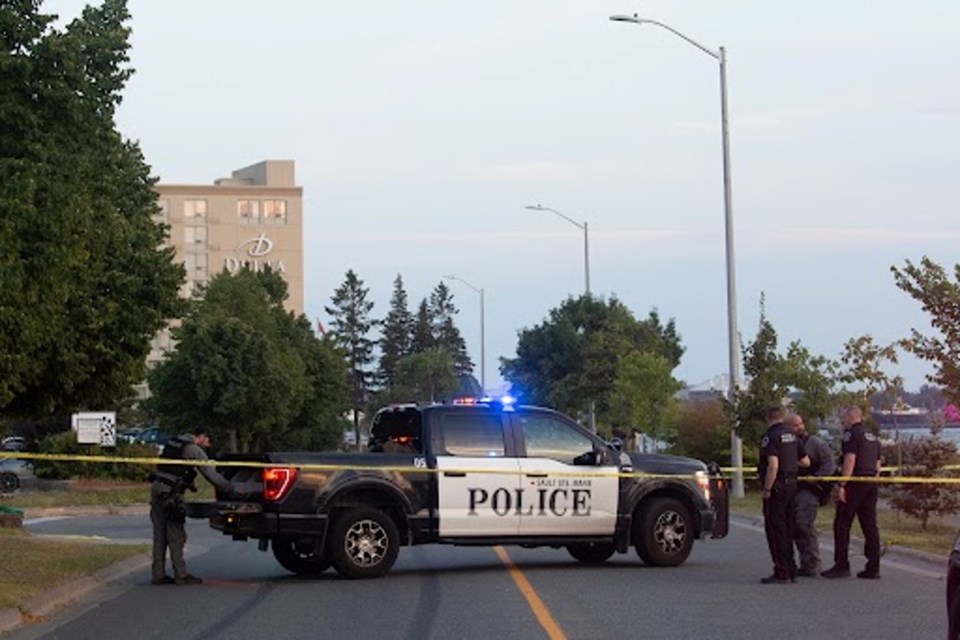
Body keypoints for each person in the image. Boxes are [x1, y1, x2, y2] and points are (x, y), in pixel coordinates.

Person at [150, 427, 238, 585]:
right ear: (203, 437)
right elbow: (211, 474)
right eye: (208, 442)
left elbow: (174, 468)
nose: (207, 446)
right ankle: (181, 575)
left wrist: (188, 484)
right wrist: (231, 490)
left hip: (157, 489)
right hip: (171, 495)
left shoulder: (175, 442)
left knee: (159, 534)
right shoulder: (193, 449)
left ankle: (158, 575)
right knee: (176, 535)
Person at [822, 405, 883, 579]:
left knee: (842, 523)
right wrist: (873, 482)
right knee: (870, 525)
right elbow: (878, 464)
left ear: (850, 417)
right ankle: (873, 567)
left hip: (855, 482)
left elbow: (850, 460)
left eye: (843, 417)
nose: (842, 421)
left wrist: (842, 484)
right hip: (870, 482)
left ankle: (841, 565)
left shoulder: (851, 435)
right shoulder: (872, 436)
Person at [758, 405, 809, 584]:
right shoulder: (793, 436)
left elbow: (773, 466)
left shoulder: (769, 437)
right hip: (792, 486)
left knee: (775, 530)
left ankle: (781, 570)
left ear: (768, 418)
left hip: (777, 488)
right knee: (788, 529)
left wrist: (767, 489)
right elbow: (805, 461)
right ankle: (792, 569)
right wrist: (789, 460)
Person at [789, 412, 836, 577]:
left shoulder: (815, 443)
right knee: (795, 527)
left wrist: (816, 478)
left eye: (800, 424)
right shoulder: (786, 444)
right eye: (794, 425)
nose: (799, 427)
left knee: (804, 524)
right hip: (792, 491)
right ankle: (805, 563)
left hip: (809, 491)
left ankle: (813, 563)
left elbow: (830, 464)